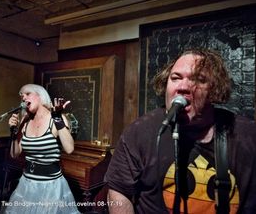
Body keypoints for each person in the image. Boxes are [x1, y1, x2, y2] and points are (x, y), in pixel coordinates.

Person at [105, 49, 256, 213]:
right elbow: (119, 191)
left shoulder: (247, 134)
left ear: (214, 90)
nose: (183, 87)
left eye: (198, 79)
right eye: (175, 78)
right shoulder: (139, 132)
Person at [2, 84, 79, 214]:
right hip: (27, 184)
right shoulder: (25, 122)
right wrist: (14, 132)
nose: (24, 98)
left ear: (40, 96)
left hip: (51, 186)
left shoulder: (55, 118)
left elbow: (69, 148)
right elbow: (14, 154)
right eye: (22, 97)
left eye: (27, 94)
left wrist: (57, 118)